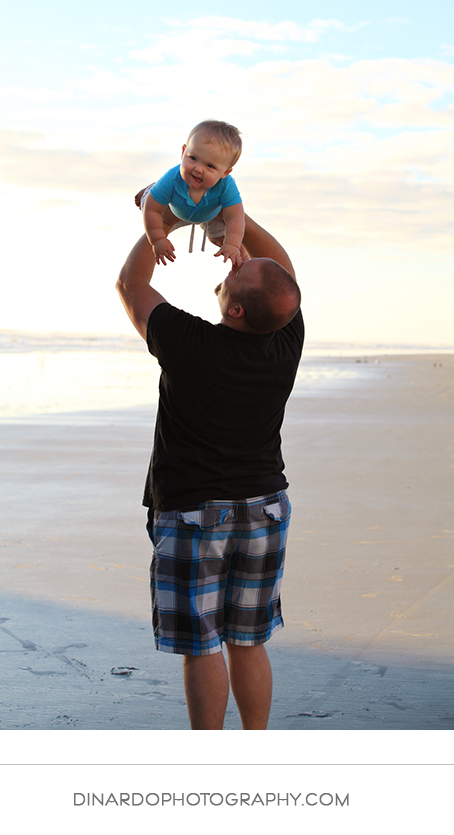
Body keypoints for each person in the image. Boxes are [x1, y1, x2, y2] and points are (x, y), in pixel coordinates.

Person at [116, 215, 304, 730]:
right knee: (249, 641)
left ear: (237, 308)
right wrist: (231, 219)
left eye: (236, 273)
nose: (232, 266)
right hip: (266, 509)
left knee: (202, 648)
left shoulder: (188, 343)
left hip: (194, 511)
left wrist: (169, 217)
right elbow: (281, 274)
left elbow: (130, 285)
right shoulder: (285, 339)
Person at [136, 119, 246, 267]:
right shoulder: (172, 179)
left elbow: (236, 217)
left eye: (210, 166)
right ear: (183, 152)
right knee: (151, 204)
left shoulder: (226, 185)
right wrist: (157, 240)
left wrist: (232, 245)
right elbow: (152, 209)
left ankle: (242, 262)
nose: (198, 169)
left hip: (210, 211)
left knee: (222, 236)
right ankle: (151, 189)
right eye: (193, 158)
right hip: (174, 205)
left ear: (225, 172)